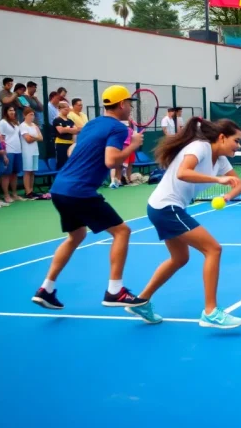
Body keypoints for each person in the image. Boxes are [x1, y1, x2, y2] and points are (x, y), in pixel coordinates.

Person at [31, 85, 146, 310]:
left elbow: (73, 150)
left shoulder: (91, 124)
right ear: (122, 104)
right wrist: (132, 146)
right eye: (130, 104)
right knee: (122, 231)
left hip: (60, 188)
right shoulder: (118, 129)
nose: (131, 108)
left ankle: (46, 288)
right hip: (79, 190)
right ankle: (115, 291)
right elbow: (111, 161)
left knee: (76, 236)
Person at [126, 118, 241, 328]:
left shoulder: (220, 160)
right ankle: (210, 312)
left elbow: (240, 184)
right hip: (166, 207)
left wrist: (227, 196)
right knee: (213, 249)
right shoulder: (199, 147)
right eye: (236, 141)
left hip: (167, 208)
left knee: (180, 258)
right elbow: (183, 173)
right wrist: (218, 180)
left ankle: (141, 302)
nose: (239, 145)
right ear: (221, 137)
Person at [0, 105, 23, 203]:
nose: (12, 112)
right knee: (6, 174)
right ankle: (6, 195)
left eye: (13, 110)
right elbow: (1, 140)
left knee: (14, 173)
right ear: (5, 112)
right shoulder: (2, 123)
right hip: (8, 152)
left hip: (18, 151)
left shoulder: (16, 123)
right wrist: (4, 154)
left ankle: (14, 194)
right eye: (10, 110)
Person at [18, 107, 43, 199]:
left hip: (35, 151)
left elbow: (41, 138)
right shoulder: (23, 125)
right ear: (25, 115)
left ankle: (31, 191)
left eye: (33, 115)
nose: (32, 117)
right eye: (30, 115)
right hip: (27, 152)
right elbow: (27, 139)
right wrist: (35, 137)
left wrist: (33, 136)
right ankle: (27, 192)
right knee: (27, 171)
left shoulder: (35, 126)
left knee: (32, 172)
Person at [52, 101, 78, 170]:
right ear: (60, 109)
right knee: (61, 163)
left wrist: (66, 129)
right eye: (65, 109)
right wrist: (70, 129)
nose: (67, 111)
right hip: (61, 143)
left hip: (70, 143)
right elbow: (60, 130)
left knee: (70, 163)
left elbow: (76, 130)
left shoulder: (70, 121)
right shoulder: (57, 120)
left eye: (68, 109)